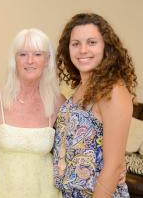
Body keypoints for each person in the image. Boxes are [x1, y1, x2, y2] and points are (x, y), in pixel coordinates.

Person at [53, 13, 137, 197]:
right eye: (75, 44)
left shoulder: (113, 90)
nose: (83, 50)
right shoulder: (80, 88)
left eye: (91, 42)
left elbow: (114, 167)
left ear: (106, 47)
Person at [0, 28, 64, 198]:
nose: (30, 61)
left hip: (46, 193)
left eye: (38, 54)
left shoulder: (58, 102)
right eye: (23, 54)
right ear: (14, 60)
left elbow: (75, 145)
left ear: (47, 60)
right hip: (1, 192)